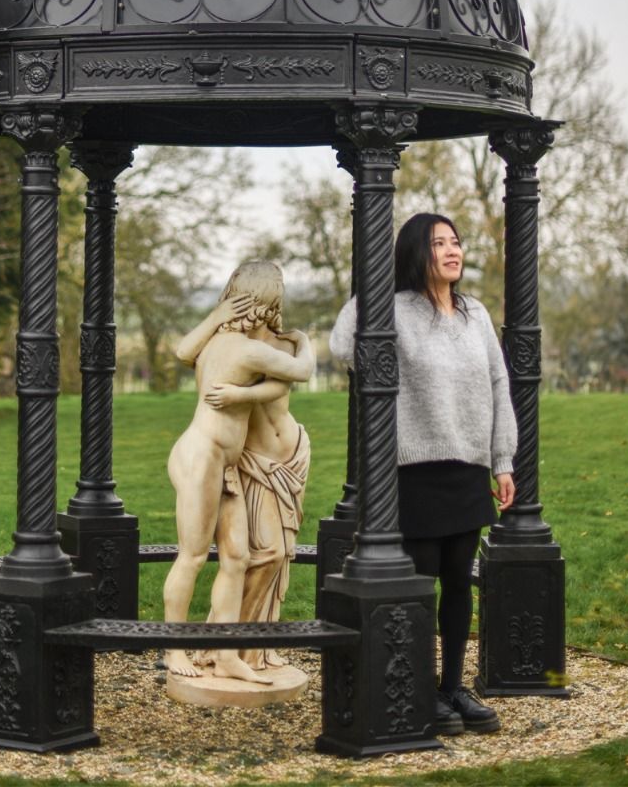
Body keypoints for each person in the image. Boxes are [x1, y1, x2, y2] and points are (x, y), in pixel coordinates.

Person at [329, 212, 517, 736]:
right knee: (422, 583)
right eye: (439, 243)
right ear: (416, 252)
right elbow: (343, 347)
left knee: (459, 583)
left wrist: (502, 460)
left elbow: (499, 383)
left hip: (468, 466)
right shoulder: (392, 310)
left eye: (456, 242)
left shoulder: (475, 313)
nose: (453, 251)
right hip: (414, 469)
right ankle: (417, 687)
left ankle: (452, 687)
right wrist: (375, 285)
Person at [163, 261, 314, 682]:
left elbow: (184, 351)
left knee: (237, 557)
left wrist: (216, 317)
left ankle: (227, 654)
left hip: (223, 462)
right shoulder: (246, 350)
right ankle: (174, 650)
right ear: (267, 301)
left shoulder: (213, 341)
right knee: (192, 556)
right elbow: (302, 371)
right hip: (202, 457)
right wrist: (304, 340)